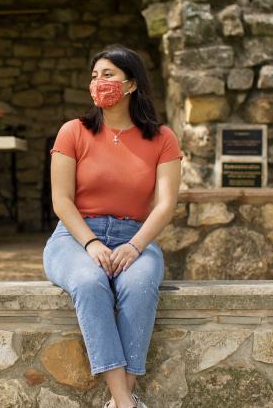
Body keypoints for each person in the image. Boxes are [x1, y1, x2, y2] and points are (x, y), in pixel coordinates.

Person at [42, 44, 183, 408]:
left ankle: (122, 397)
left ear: (131, 84)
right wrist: (91, 244)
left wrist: (135, 246)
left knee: (139, 286)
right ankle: (124, 401)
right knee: (88, 283)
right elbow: (61, 201)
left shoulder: (162, 139)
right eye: (94, 76)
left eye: (108, 75)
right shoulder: (73, 132)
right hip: (75, 237)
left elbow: (166, 203)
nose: (98, 82)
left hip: (134, 236)